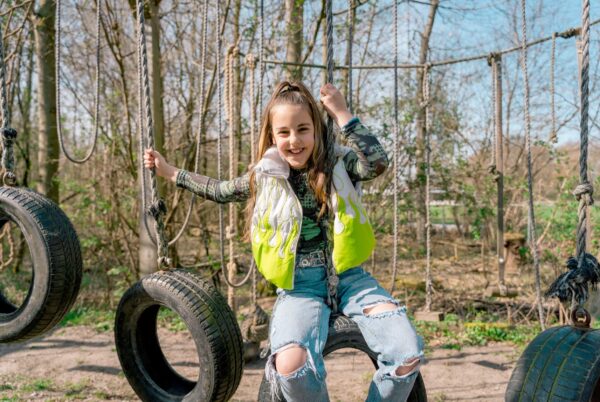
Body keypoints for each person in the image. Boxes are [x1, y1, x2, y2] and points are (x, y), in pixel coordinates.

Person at [144, 81, 423, 402]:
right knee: (290, 365)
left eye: (303, 129)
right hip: (300, 285)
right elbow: (220, 190)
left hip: (350, 278)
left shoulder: (339, 163)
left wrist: (342, 113)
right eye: (284, 132)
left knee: (406, 353)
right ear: (273, 137)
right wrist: (171, 173)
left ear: (316, 129)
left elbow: (377, 163)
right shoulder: (265, 175)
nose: (294, 140)